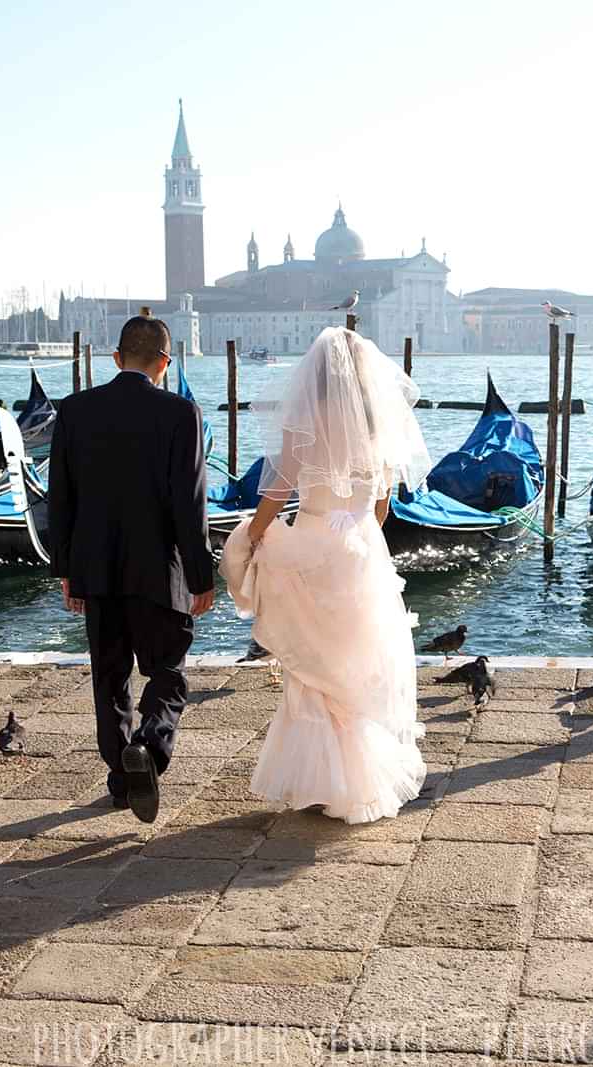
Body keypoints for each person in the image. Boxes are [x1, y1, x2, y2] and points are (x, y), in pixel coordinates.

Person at [218, 326, 429, 824]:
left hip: (313, 542)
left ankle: (319, 783)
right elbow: (382, 502)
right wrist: (358, 535)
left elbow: (281, 487)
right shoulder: (377, 421)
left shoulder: (306, 416)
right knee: (356, 665)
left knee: (314, 664)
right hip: (360, 549)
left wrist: (254, 534)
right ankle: (356, 782)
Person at [47, 315, 216, 823]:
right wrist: (201, 576)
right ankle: (149, 745)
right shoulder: (180, 413)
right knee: (168, 671)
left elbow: (61, 500)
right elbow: (190, 506)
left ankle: (122, 778)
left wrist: (67, 570)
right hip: (159, 572)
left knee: (110, 677)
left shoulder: (75, 411)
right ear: (165, 363)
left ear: (115, 358)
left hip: (95, 569)